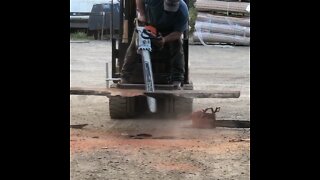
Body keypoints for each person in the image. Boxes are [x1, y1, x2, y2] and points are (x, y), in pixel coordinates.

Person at [120, 0, 188, 88]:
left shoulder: (183, 10)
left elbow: (178, 33)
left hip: (169, 31)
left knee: (177, 45)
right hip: (150, 26)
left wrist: (164, 40)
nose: (168, 12)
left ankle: (177, 79)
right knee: (135, 44)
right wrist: (142, 14)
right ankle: (125, 76)